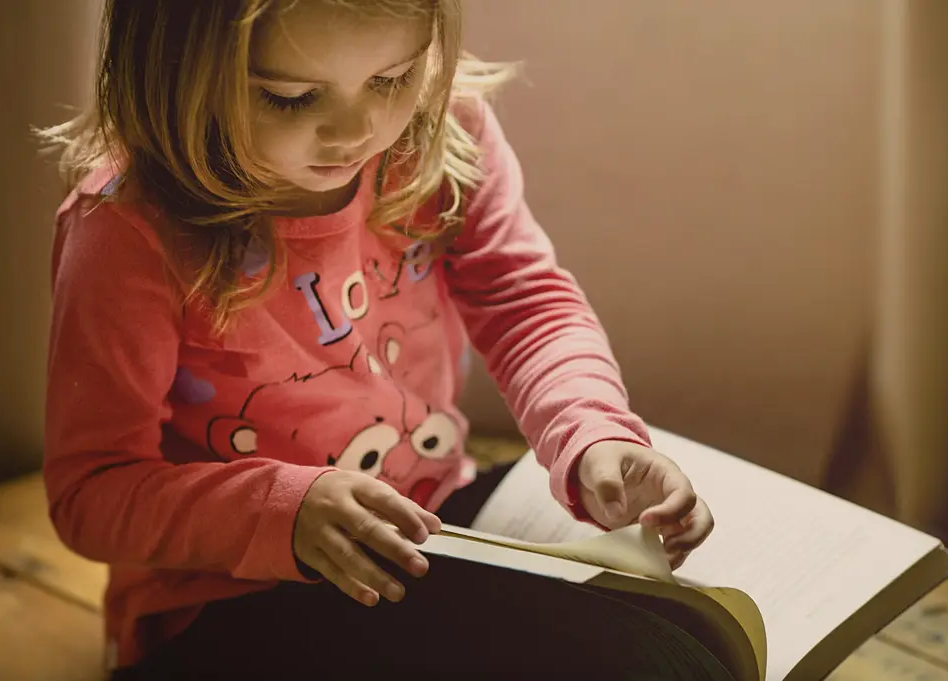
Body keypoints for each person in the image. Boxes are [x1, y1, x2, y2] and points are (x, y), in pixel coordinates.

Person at [39, 1, 714, 678]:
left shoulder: (439, 137)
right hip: (229, 598)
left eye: (392, 79)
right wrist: (284, 512)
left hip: (439, 523)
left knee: (680, 644)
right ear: (170, 70)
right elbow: (92, 492)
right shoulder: (126, 231)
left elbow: (524, 300)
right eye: (290, 97)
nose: (358, 131)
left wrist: (594, 431)